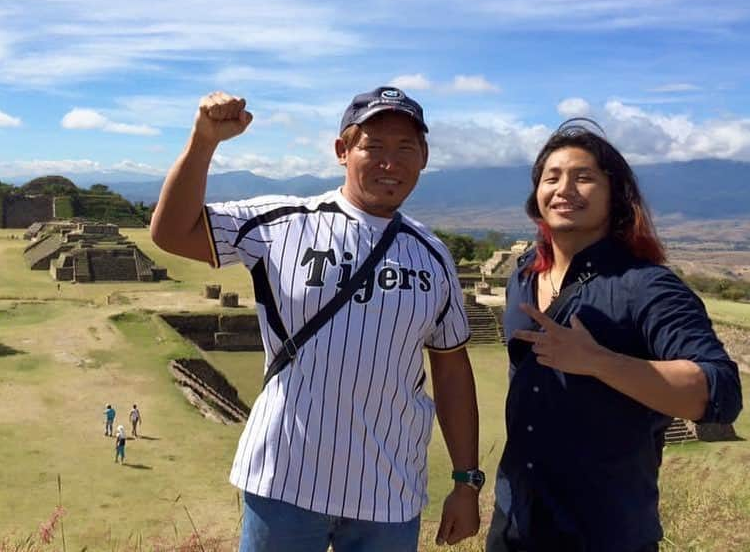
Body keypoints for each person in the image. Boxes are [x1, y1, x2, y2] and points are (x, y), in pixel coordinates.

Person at [151, 88, 482, 552]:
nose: (390, 161)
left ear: (424, 157)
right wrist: (204, 141)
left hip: (390, 492)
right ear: (342, 151)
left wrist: (467, 482)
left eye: (405, 148)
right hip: (285, 482)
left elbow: (451, 369)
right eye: (373, 146)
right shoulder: (281, 223)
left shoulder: (433, 255)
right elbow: (171, 232)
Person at [488, 119, 743, 552]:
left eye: (584, 177)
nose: (564, 188)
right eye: (552, 177)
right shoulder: (524, 274)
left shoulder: (646, 285)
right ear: (536, 195)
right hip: (516, 524)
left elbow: (720, 392)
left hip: (604, 532)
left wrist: (598, 362)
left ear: (616, 196)